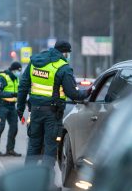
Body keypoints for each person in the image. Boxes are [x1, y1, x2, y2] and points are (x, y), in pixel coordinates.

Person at [17, 40, 92, 169]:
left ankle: (28, 180)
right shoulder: (63, 67)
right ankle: (46, 183)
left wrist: (20, 109)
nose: (67, 56)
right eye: (67, 53)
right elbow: (72, 93)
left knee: (34, 145)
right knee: (50, 147)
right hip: (52, 113)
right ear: (64, 53)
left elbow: (23, 86)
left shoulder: (35, 62)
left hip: (35, 110)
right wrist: (87, 93)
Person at [0, 62, 22, 156]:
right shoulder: (2, 77)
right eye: (18, 71)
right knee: (0, 127)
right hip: (2, 105)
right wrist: (12, 94)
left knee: (14, 128)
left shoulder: (16, 78)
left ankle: (10, 150)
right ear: (13, 70)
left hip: (12, 106)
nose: (19, 73)